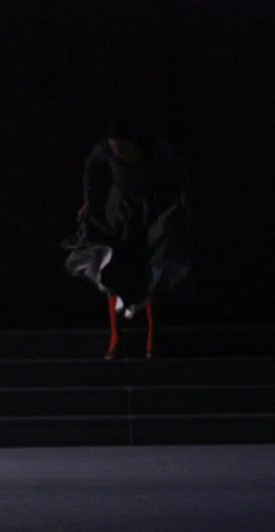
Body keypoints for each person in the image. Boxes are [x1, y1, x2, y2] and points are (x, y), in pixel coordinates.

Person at [63, 118, 195, 359]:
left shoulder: (156, 148)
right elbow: (91, 166)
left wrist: (182, 201)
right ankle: (116, 337)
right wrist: (88, 200)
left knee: (152, 270)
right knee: (115, 268)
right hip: (121, 213)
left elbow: (179, 169)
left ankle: (152, 339)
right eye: (115, 149)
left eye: (123, 148)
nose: (118, 153)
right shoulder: (105, 150)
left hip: (153, 212)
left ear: (135, 143)